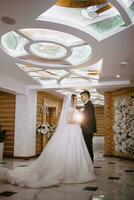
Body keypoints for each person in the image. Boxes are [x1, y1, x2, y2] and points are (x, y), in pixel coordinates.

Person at [0, 93, 95, 188]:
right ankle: (68, 171)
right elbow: (69, 120)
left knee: (75, 150)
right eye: (75, 99)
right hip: (71, 130)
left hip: (75, 131)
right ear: (71, 100)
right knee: (68, 149)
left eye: (77, 99)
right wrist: (78, 121)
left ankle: (75, 169)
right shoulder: (70, 109)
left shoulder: (75, 109)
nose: (76, 101)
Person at [80, 90, 97, 162]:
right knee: (87, 146)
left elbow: (88, 118)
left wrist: (80, 121)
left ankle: (90, 162)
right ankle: (89, 162)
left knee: (88, 147)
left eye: (82, 96)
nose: (81, 98)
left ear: (86, 96)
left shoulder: (89, 105)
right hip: (88, 129)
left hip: (88, 130)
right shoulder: (88, 105)